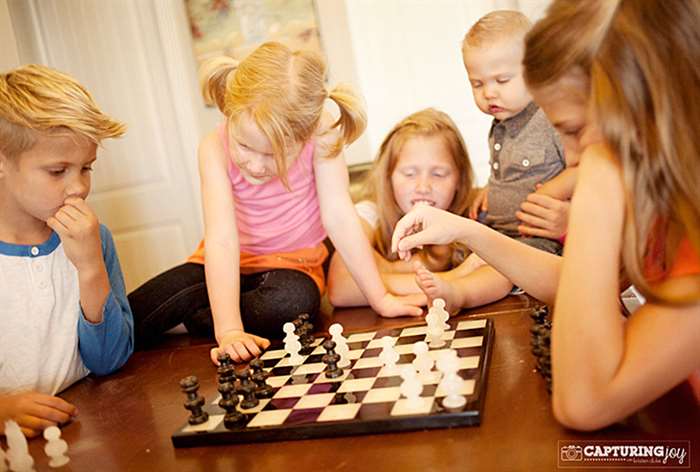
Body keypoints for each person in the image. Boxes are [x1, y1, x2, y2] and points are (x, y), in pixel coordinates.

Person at [391, 0, 700, 430]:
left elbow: (582, 404)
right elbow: (578, 284)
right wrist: (467, 231)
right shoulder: (662, 213)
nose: (571, 156)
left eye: (573, 131)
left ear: (647, 113)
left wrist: (596, 183)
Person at [129, 42, 423, 363]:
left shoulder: (322, 133)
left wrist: (379, 297)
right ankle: (215, 308)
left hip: (292, 267)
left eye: (272, 155)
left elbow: (339, 217)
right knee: (134, 316)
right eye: (243, 145)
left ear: (306, 134)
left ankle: (200, 312)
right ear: (229, 113)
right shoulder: (213, 147)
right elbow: (222, 240)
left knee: (292, 306)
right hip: (224, 261)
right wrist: (228, 331)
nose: (255, 165)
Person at [0, 64, 134, 437]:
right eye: (58, 171)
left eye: (86, 168)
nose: (78, 188)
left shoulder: (95, 238)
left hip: (85, 431)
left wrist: (90, 266)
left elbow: (109, 360)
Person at [328, 108, 501, 309]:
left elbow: (503, 271)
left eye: (438, 174)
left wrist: (384, 273)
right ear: (388, 177)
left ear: (459, 180)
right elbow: (341, 288)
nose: (423, 187)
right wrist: (455, 276)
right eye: (409, 174)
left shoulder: (475, 208)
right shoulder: (370, 213)